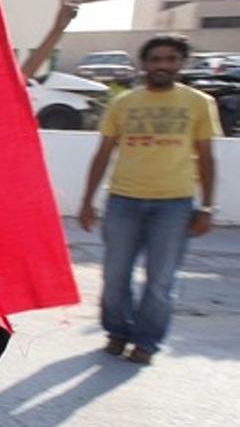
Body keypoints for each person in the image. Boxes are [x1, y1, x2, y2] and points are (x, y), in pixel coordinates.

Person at [77, 35, 220, 365]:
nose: (162, 65)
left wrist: (207, 207)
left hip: (174, 204)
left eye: (170, 59)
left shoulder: (198, 102)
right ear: (144, 65)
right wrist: (87, 201)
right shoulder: (123, 103)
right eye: (155, 59)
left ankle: (147, 341)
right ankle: (117, 331)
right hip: (123, 201)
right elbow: (103, 154)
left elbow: (206, 157)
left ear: (180, 64)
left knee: (160, 280)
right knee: (115, 276)